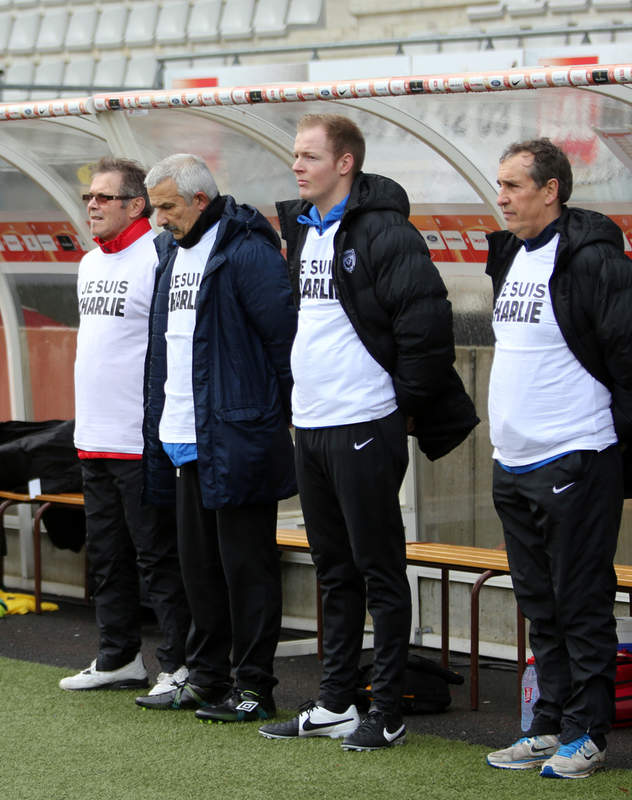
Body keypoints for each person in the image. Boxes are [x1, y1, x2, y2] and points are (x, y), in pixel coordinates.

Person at [482, 138, 632, 778]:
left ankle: (588, 733)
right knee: (540, 604)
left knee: (580, 601)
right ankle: (548, 724)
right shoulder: (509, 256)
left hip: (575, 459)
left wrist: (600, 437)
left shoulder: (596, 261)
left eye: (513, 186)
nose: (501, 198)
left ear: (550, 190)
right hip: (513, 462)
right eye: (500, 185)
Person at [263, 114, 478, 750]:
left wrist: (401, 406)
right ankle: (335, 702)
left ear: (345, 163)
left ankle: (385, 709)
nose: (297, 165)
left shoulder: (386, 231)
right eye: (295, 155)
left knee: (379, 569)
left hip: (364, 420)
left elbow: (426, 325)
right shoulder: (302, 230)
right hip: (313, 423)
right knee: (333, 569)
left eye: (309, 156)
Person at [134, 154, 296, 723]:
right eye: (155, 209)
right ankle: (206, 678)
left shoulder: (247, 251)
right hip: (181, 437)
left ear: (200, 200)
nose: (159, 219)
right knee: (198, 572)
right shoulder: (168, 252)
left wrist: (281, 417)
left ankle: (254, 687)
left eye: (168, 207)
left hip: (236, 437)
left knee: (247, 572)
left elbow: (284, 342)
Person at [59, 157, 191, 695]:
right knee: (107, 557)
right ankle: (118, 657)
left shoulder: (159, 257)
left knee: (158, 558)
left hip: (141, 440)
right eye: (89, 197)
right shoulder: (89, 263)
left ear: (137, 205)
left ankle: (179, 665)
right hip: (93, 437)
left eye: (104, 197)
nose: (92, 205)